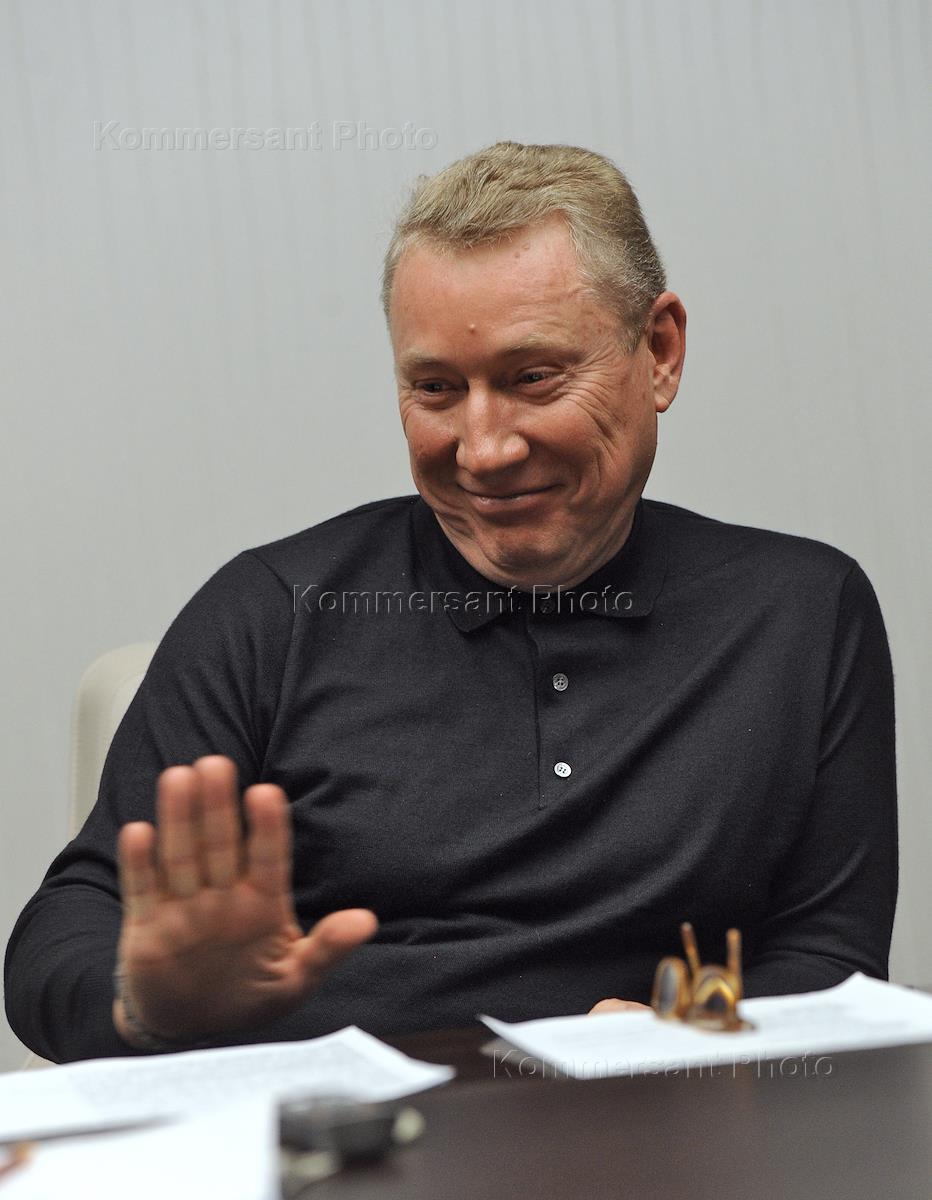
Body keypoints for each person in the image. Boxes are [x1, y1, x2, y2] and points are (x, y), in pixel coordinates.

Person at [5, 143, 897, 1063]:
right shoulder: (275, 613)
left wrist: (679, 1041)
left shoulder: (803, 613)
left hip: (657, 1120)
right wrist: (147, 1007)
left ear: (660, 352)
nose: (483, 449)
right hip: (335, 1130)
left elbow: (829, 960)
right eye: (436, 389)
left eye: (533, 378)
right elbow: (60, 938)